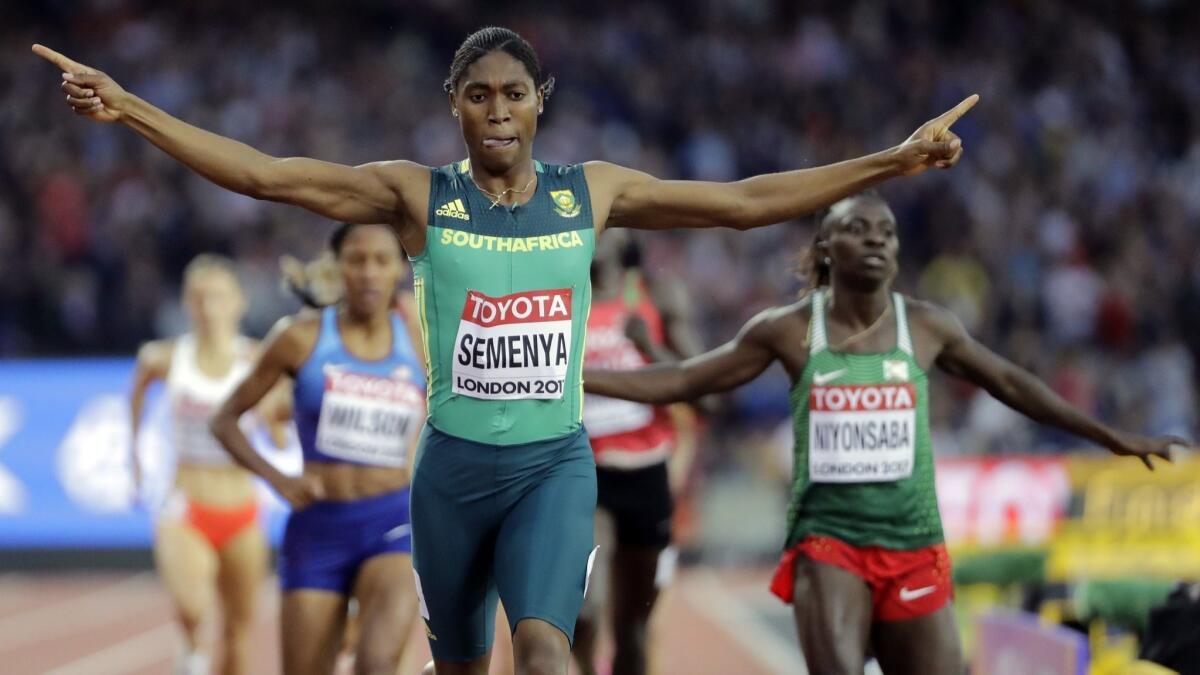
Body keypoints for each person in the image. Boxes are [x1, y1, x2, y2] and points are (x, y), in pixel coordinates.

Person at [34, 26, 976, 675]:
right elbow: (268, 176)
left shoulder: (589, 192)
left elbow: (740, 202)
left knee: (544, 649)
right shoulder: (417, 196)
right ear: (454, 104)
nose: (497, 110)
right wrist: (132, 111)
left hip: (550, 468)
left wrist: (891, 159)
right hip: (448, 474)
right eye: (478, 95)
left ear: (540, 104)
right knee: (462, 663)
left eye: (514, 95)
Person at [581, 191, 1189, 674]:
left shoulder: (926, 327)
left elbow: (1012, 382)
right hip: (831, 545)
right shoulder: (790, 330)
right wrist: (578, 379)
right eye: (858, 229)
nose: (876, 239)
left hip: (913, 546)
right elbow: (684, 379)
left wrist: (1111, 436)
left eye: (887, 232)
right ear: (825, 247)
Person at [210, 223, 426, 675]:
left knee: (377, 664)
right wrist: (277, 478)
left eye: (382, 261)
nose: (369, 272)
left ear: (398, 271)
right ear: (337, 267)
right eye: (357, 260)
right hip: (318, 527)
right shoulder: (299, 338)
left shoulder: (423, 339)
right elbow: (224, 420)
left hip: (394, 520)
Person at [129, 255, 274, 675]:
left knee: (238, 630)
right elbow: (136, 390)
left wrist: (275, 424)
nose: (209, 308)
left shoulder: (257, 360)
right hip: (187, 505)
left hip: (243, 509)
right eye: (199, 298)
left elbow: (279, 413)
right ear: (187, 305)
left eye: (219, 297)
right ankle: (191, 652)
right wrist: (134, 456)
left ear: (238, 303)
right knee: (194, 609)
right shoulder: (165, 358)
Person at [573, 232, 700, 675]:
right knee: (585, 610)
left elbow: (701, 388)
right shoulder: (558, 298)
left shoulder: (655, 296)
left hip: (646, 474)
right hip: (584, 474)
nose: (597, 233)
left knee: (634, 630)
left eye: (610, 223)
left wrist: (648, 346)